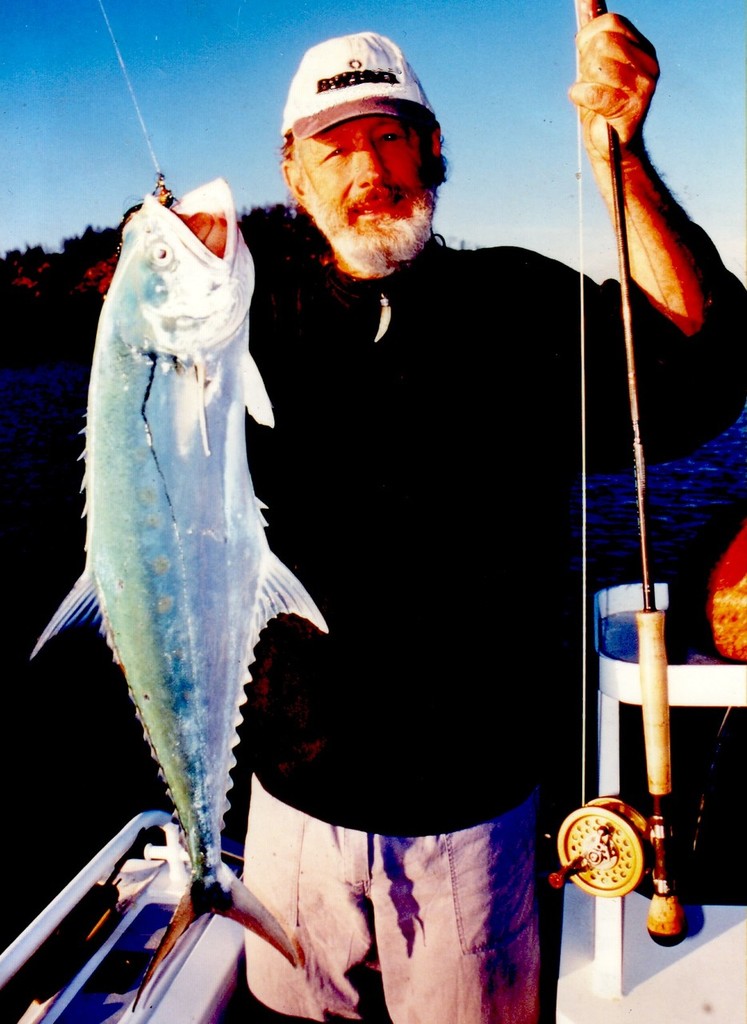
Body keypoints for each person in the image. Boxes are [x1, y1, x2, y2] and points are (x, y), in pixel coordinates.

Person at [194, 20, 745, 1024]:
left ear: (434, 150)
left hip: (471, 816)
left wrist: (620, 159)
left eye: (390, 136)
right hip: (288, 803)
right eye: (334, 146)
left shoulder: (516, 303)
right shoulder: (241, 323)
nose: (368, 168)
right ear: (294, 176)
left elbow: (697, 372)